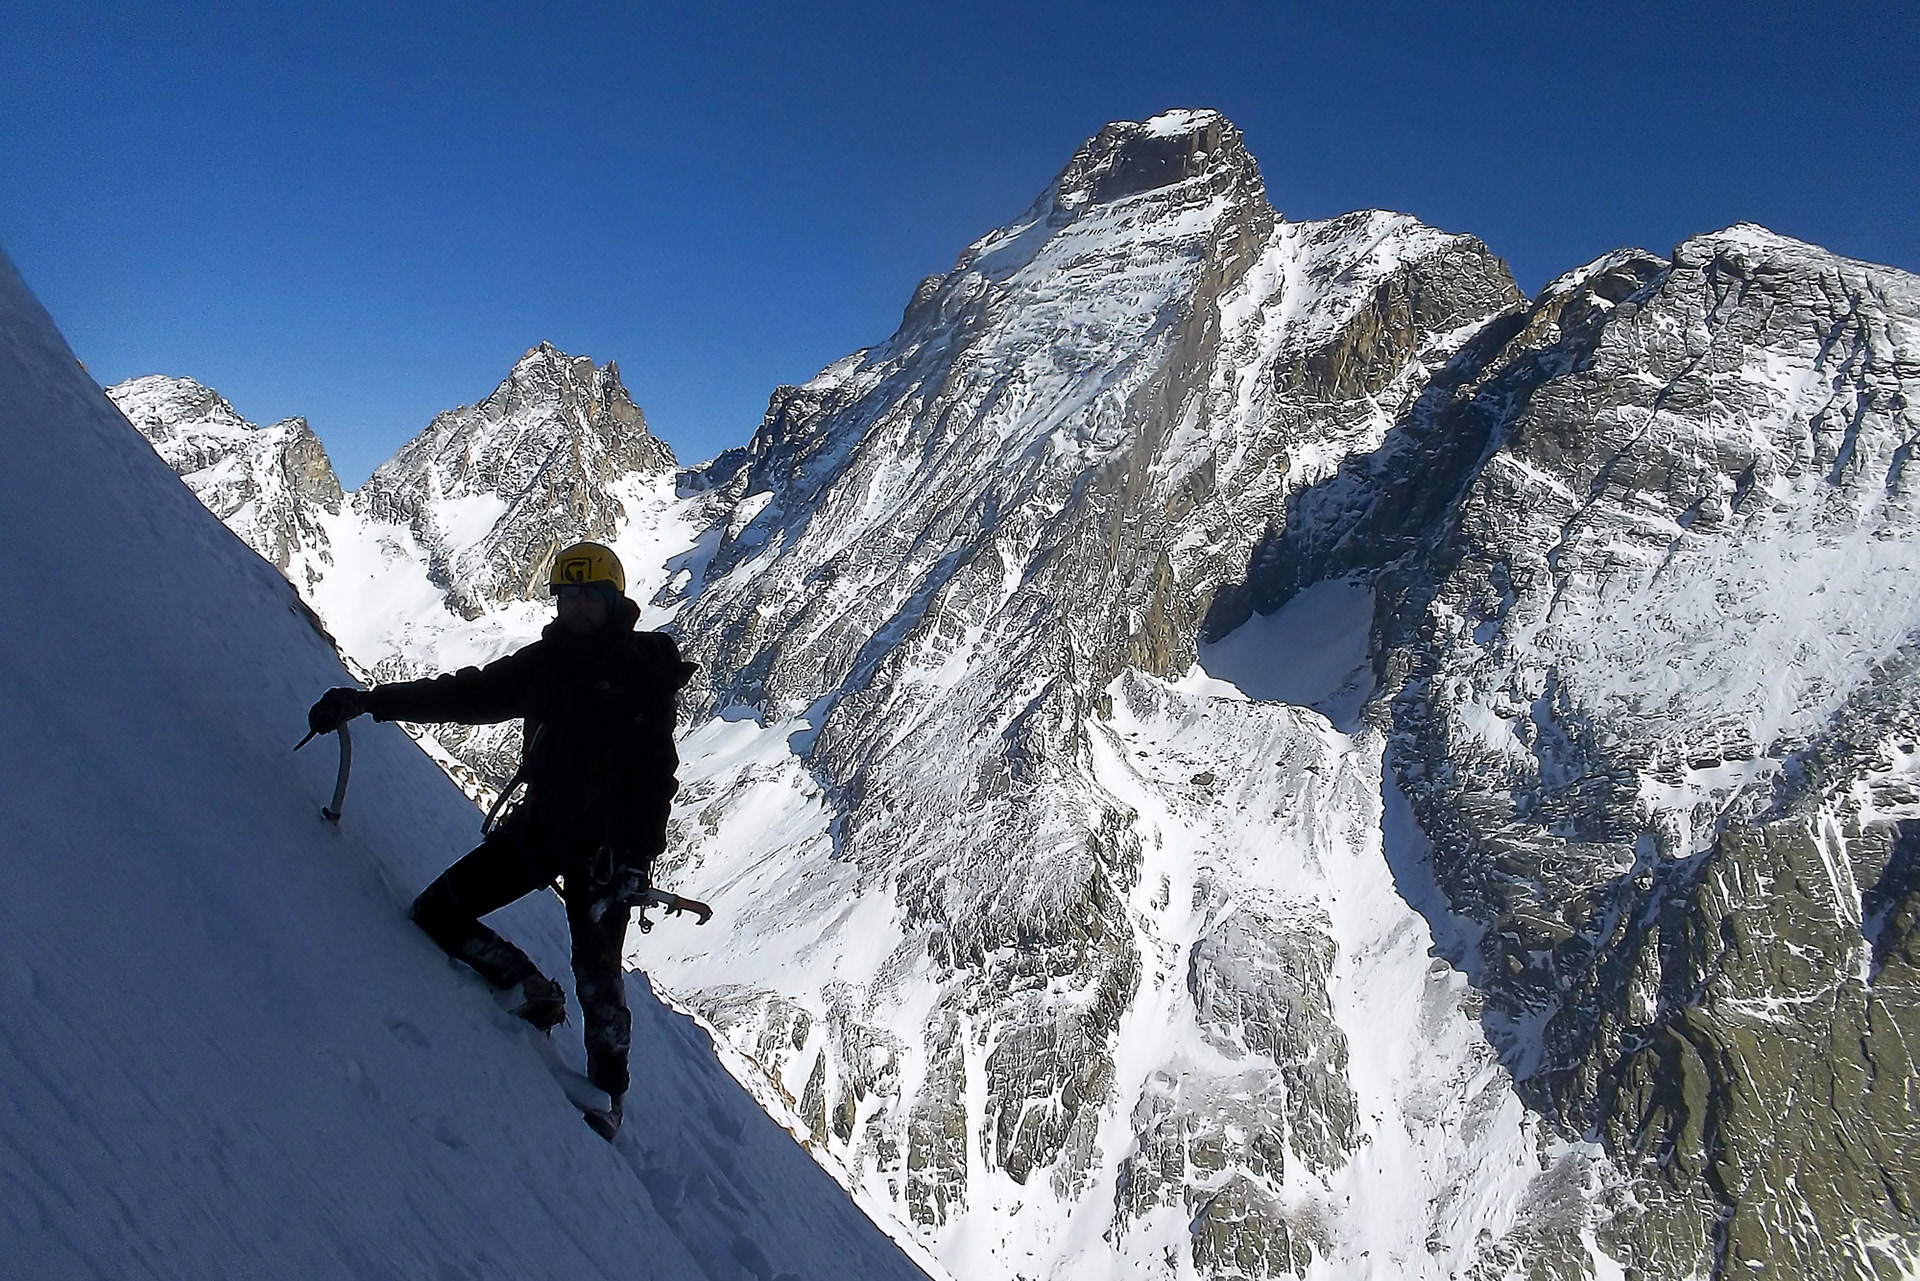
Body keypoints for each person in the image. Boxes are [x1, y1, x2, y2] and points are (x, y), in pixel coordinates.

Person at [306, 541, 696, 1140]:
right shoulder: (548, 663)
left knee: (599, 980)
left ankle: (608, 1097)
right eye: (569, 597)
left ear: (615, 602)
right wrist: (371, 702)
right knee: (439, 911)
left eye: (591, 597)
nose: (579, 609)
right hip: (542, 831)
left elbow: (654, 780)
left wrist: (636, 860)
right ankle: (529, 986)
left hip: (604, 856)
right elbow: (468, 696)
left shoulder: (639, 678)